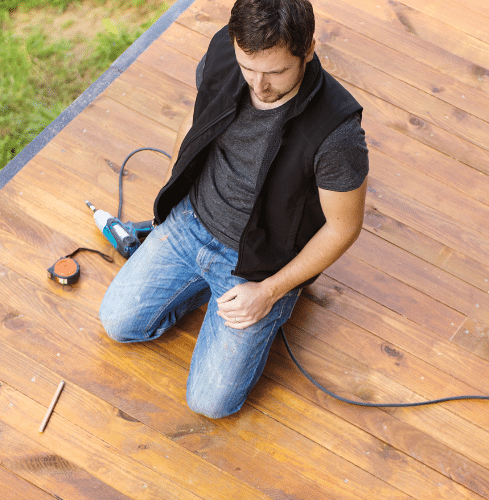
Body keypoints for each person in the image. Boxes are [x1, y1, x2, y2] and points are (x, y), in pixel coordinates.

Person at [100, 0, 369, 419]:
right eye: (249, 68)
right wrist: (173, 193)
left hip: (260, 264)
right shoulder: (224, 54)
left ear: (308, 49)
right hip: (191, 220)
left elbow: (344, 227)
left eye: (276, 72)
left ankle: (278, 302)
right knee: (118, 323)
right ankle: (202, 287)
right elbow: (195, 121)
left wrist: (269, 292)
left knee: (210, 403)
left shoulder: (338, 132)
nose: (258, 87)